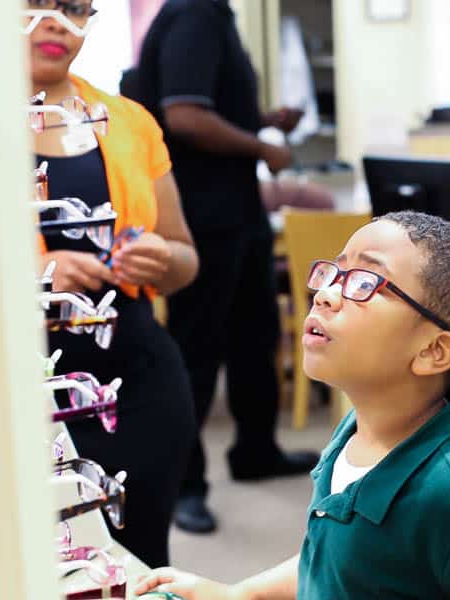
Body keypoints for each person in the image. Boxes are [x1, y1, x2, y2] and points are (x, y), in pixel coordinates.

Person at [136, 211, 450, 599]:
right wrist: (239, 594)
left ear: (434, 351)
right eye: (333, 274)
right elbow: (332, 562)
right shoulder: (355, 436)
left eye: (364, 283)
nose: (324, 295)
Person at [123, 0, 318, 535]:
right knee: (197, 349)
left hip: (239, 210)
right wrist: (262, 146)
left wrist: (264, 119)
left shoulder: (215, 17)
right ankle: (185, 485)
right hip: (206, 216)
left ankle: (256, 450)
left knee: (255, 338)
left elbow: (209, 103)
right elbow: (183, 116)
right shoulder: (193, 14)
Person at [26, 0, 198, 567]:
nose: (55, 22)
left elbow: (185, 258)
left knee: (136, 564)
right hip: (17, 392)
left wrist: (159, 257)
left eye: (74, 7)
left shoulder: (127, 121)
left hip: (136, 386)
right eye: (34, 3)